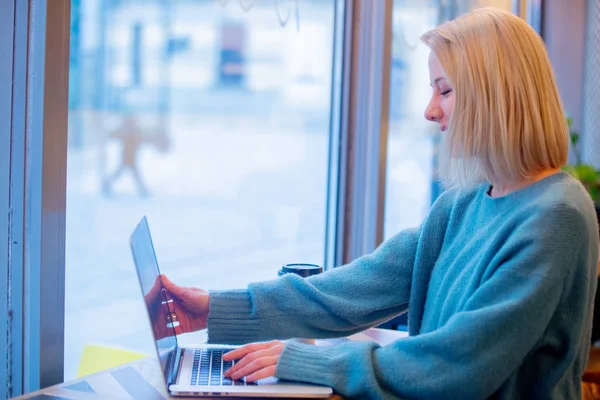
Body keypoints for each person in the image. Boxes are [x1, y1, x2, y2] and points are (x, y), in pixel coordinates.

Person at [153, 8, 599, 399]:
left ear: (497, 94)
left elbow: (456, 367)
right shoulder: (463, 202)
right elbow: (351, 292)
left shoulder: (555, 216)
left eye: (445, 91)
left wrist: (308, 363)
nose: (430, 110)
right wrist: (215, 306)